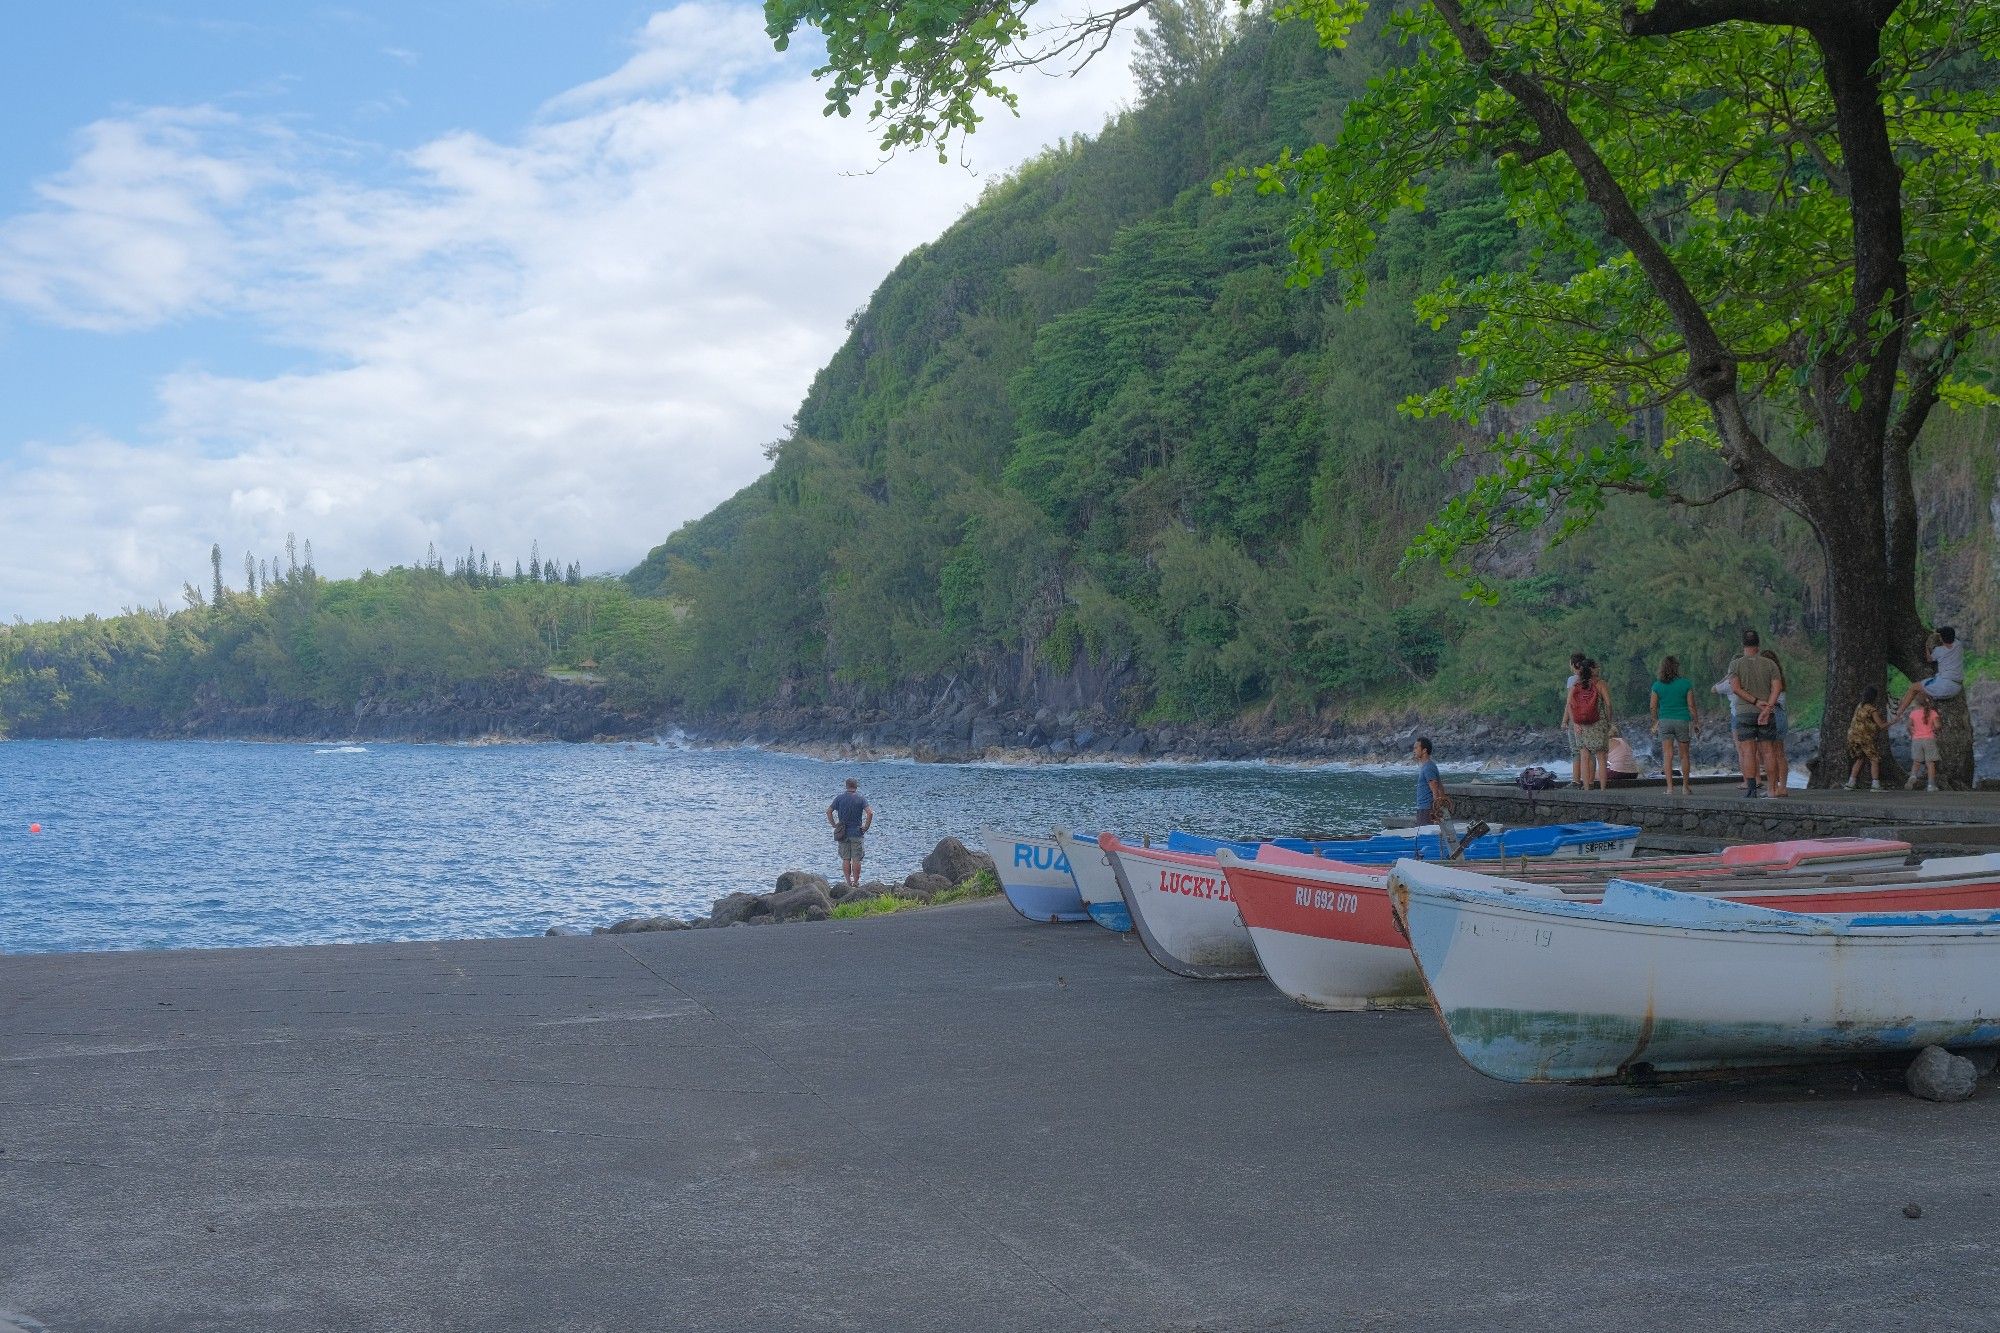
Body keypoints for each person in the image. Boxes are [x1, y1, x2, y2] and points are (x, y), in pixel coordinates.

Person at [1728, 629, 1783, 799]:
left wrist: (1754, 701)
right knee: (1768, 751)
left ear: (1743, 645)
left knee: (1748, 751)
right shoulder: (1770, 664)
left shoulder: (1735, 665)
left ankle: (1751, 789)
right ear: (1758, 645)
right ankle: (1773, 789)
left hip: (1744, 712)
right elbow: (1777, 688)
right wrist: (1767, 708)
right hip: (1766, 713)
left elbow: (1735, 689)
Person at [1649, 655, 1699, 796]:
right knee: (1684, 755)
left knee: (1667, 755)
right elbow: (1691, 706)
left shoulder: (1657, 685)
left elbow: (1653, 707)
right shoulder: (1685, 684)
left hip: (1665, 721)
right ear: (1676, 667)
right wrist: (1696, 722)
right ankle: (1685, 787)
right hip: (1683, 720)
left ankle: (1670, 788)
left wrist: (1654, 721)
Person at [1894, 626, 1965, 718]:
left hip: (1944, 685)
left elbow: (1929, 659)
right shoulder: (1958, 645)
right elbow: (1949, 638)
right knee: (1922, 690)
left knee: (1914, 687)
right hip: (1957, 687)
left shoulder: (1939, 651)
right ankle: (1902, 706)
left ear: (1941, 638)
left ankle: (1898, 712)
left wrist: (1927, 647)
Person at [1565, 662, 1613, 791]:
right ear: (1592, 670)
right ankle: (1602, 789)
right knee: (1601, 758)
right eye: (1596, 667)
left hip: (1581, 725)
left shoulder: (1576, 686)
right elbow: (1608, 704)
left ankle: (1586, 788)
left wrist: (1574, 723)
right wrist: (1609, 720)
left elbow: (1569, 704)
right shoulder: (1600, 684)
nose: (1599, 668)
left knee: (1584, 757)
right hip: (1598, 723)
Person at [826, 778, 873, 888]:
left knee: (845, 859)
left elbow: (828, 811)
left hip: (843, 833)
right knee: (856, 859)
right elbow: (870, 813)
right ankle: (856, 882)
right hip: (856, 832)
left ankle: (848, 882)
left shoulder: (839, 798)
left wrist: (834, 824)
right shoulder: (861, 799)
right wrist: (866, 827)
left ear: (846, 786)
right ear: (856, 786)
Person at [1845, 686, 1887, 791]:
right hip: (1864, 737)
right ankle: (1875, 784)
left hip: (1853, 736)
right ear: (1874, 697)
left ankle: (1851, 783)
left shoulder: (1860, 706)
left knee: (1860, 758)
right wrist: (1894, 721)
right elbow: (1881, 725)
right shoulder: (1872, 710)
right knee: (1874, 759)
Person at [1559, 651, 1587, 785]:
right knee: (1588, 751)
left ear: (1575, 664)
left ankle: (1576, 781)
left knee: (1576, 751)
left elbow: (1570, 702)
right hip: (1590, 718)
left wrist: (1565, 720)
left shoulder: (1572, 680)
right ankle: (1589, 781)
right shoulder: (1592, 679)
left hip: (1575, 719)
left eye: (1570, 664)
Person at [1414, 736, 1451, 825]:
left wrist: (1437, 811)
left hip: (1427, 809)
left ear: (1424, 750)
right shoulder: (1427, 766)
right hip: (1425, 808)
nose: (1414, 750)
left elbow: (1435, 789)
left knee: (1425, 836)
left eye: (1416, 748)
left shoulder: (1428, 767)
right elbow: (1440, 787)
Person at [1907, 698, 1942, 792]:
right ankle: (1931, 785)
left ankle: (1913, 776)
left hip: (1916, 740)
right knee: (1930, 763)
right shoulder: (1933, 712)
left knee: (1916, 761)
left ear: (1917, 703)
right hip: (1929, 739)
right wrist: (1934, 729)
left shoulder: (1913, 713)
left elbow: (1909, 725)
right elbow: (1938, 726)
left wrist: (1912, 731)